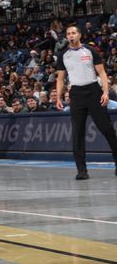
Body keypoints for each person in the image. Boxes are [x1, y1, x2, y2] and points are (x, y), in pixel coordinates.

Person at [55, 24, 117, 179]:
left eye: (74, 33)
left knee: (106, 129)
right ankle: (81, 170)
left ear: (79, 35)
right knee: (77, 133)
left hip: (94, 92)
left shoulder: (91, 51)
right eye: (68, 33)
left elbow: (102, 73)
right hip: (76, 94)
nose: (71, 35)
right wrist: (58, 97)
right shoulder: (63, 55)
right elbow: (60, 78)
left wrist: (105, 92)